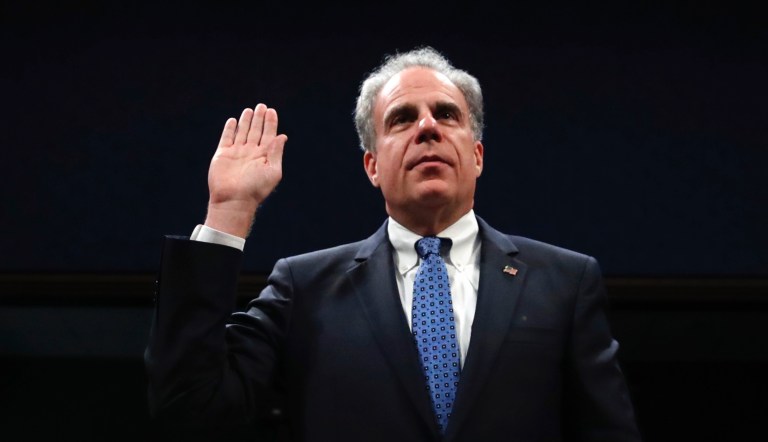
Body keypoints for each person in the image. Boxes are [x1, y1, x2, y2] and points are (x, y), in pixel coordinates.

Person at [145, 46, 642, 441]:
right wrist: (229, 212)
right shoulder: (305, 289)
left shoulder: (564, 282)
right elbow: (190, 405)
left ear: (477, 155)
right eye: (403, 119)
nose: (428, 127)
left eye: (447, 115)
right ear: (373, 167)